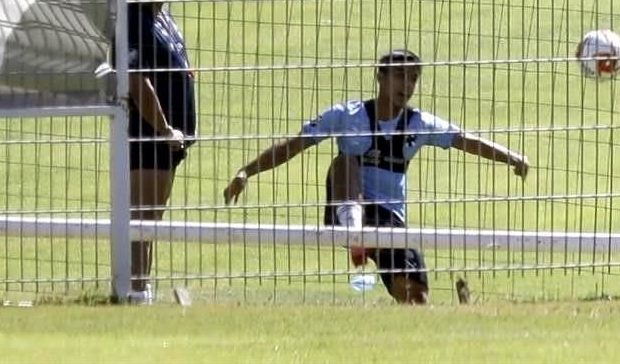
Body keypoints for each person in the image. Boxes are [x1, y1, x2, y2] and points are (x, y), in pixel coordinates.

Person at [223, 49, 529, 304]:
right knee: (345, 161)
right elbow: (293, 145)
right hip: (347, 207)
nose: (406, 85)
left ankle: (378, 255)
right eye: (399, 76)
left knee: (416, 298)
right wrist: (246, 171)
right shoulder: (348, 115)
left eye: (413, 78)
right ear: (380, 77)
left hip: (390, 219)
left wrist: (511, 157)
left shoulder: (417, 123)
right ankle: (355, 231)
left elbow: (465, 140)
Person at [125, 0, 196, 304]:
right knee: (142, 218)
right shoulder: (133, 19)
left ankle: (141, 288)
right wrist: (164, 128)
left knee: (150, 219)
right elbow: (137, 81)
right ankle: (136, 291)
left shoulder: (162, 17)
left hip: (169, 140)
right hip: (150, 136)